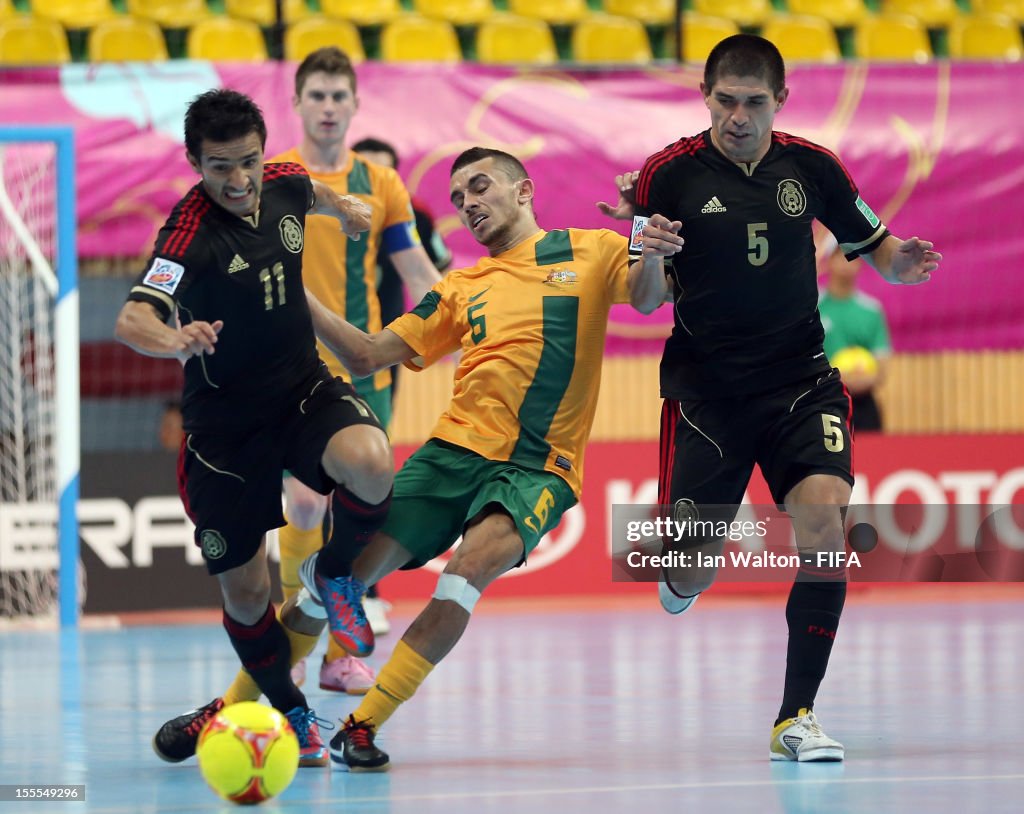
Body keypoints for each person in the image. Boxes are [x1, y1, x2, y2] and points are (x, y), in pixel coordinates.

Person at [602, 34, 939, 762]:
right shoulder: (667, 174)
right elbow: (642, 300)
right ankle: (680, 571)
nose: (738, 117)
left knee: (823, 522)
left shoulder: (812, 167)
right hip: (706, 395)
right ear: (706, 97)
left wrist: (901, 266)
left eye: (754, 102)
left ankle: (797, 716)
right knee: (690, 565)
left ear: (779, 102)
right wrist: (650, 253)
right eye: (725, 101)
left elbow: (876, 244)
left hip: (799, 384)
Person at [300, 146, 682, 771]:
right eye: (458, 199)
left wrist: (645, 228)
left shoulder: (588, 250)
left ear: (524, 189)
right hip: (450, 454)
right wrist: (297, 299)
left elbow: (647, 298)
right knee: (340, 575)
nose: (468, 204)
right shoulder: (460, 286)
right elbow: (368, 354)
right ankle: (248, 701)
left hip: (538, 468)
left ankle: (362, 725)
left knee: (464, 575)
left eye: (479, 187)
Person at [114, 88, 390, 768]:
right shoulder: (188, 232)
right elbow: (133, 317)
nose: (238, 181)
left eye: (249, 162)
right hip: (223, 428)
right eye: (219, 168)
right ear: (194, 163)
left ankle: (335, 575)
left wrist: (346, 208)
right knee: (247, 592)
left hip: (299, 385)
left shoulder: (287, 180)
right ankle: (292, 712)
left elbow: (313, 192)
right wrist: (175, 339)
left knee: (372, 461)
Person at [266, 47, 442, 692]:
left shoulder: (382, 184)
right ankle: (290, 650)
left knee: (353, 512)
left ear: (355, 105)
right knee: (306, 504)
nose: (330, 107)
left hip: (365, 372)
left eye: (340, 95)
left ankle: (343, 656)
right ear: (298, 103)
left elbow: (416, 271)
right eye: (318, 95)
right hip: (287, 371)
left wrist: (463, 316)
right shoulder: (275, 178)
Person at [351, 135, 453, 640]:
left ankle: (363, 592)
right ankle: (313, 588)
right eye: (368, 171)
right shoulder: (322, 211)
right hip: (320, 354)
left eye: (386, 173)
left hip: (382, 357)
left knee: (369, 472)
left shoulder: (413, 215)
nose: (378, 182)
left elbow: (435, 271)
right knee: (311, 487)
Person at [818, 240, 892, 432]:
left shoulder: (871, 311)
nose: (845, 262)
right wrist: (835, 380)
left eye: (851, 257)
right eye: (839, 256)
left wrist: (858, 380)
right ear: (829, 261)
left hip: (862, 405)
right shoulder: (812, 308)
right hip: (821, 401)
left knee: (871, 460)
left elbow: (881, 369)